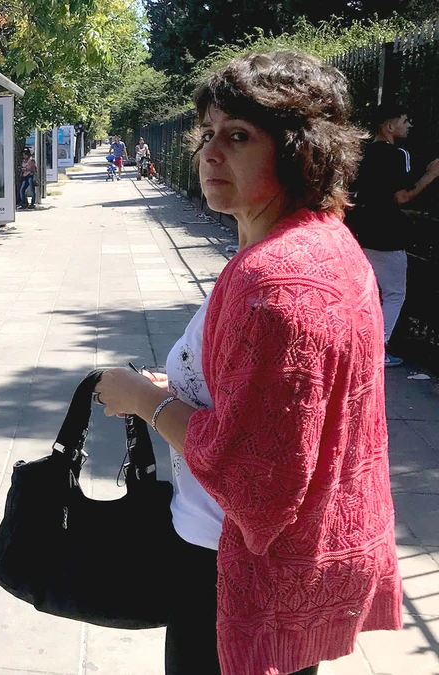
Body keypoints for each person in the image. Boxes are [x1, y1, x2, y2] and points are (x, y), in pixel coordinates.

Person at [93, 51, 401, 675]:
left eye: (237, 136)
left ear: (300, 150)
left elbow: (256, 477)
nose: (209, 153)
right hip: (300, 557)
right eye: (207, 133)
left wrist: (146, 402)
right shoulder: (325, 243)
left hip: (235, 566)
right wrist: (179, 389)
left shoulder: (275, 284)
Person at [348, 103, 439, 367]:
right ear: (389, 127)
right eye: (404, 120)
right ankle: (376, 350)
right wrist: (430, 176)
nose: (408, 125)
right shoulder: (398, 155)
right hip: (386, 234)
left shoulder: (363, 153)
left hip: (361, 230)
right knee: (395, 293)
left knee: (368, 291)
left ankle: (356, 342)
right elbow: (401, 196)